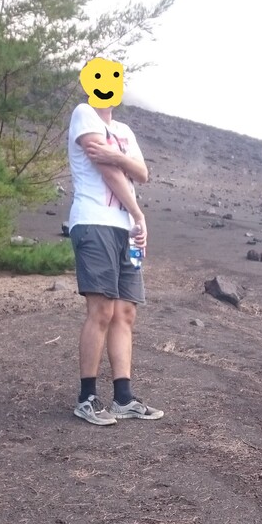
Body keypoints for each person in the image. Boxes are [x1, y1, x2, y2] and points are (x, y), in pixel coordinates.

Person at [67, 57, 164, 426]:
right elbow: (107, 170)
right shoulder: (83, 114)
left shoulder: (123, 130)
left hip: (126, 230)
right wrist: (139, 213)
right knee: (102, 310)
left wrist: (116, 154)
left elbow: (142, 173)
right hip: (95, 222)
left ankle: (123, 397)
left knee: (125, 312)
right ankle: (87, 397)